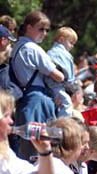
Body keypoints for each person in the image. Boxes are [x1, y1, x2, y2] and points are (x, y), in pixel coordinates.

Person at [10, 10, 65, 160]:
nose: (45, 33)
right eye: (41, 29)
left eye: (47, 30)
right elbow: (58, 76)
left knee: (28, 150)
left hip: (26, 100)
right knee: (42, 148)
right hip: (38, 101)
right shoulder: (32, 48)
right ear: (29, 27)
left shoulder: (16, 47)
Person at [46, 27, 78, 117]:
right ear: (61, 39)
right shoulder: (65, 55)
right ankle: (63, 124)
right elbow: (69, 76)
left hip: (46, 86)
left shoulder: (49, 52)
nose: (72, 46)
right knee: (66, 104)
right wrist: (73, 86)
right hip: (58, 86)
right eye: (71, 43)